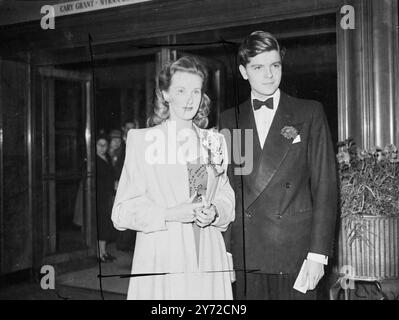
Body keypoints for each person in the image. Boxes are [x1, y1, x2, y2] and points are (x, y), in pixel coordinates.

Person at [219, 31, 337, 300]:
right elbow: (232, 188)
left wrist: (318, 254)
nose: (269, 75)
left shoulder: (309, 113)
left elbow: (325, 188)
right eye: (258, 67)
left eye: (275, 65)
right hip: (248, 250)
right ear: (243, 71)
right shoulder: (230, 120)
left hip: (296, 251)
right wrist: (225, 250)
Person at [112, 56, 235, 300]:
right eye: (180, 90)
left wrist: (216, 212)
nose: (190, 100)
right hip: (163, 256)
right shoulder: (143, 140)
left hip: (208, 254)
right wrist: (169, 213)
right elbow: (121, 212)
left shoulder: (214, 141)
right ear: (165, 94)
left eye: (196, 91)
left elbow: (225, 194)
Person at [96, 134, 117, 262]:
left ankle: (103, 251)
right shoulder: (94, 161)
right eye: (100, 145)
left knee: (106, 223)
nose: (103, 148)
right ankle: (99, 253)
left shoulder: (107, 157)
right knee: (101, 223)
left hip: (108, 194)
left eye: (105, 145)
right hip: (100, 196)